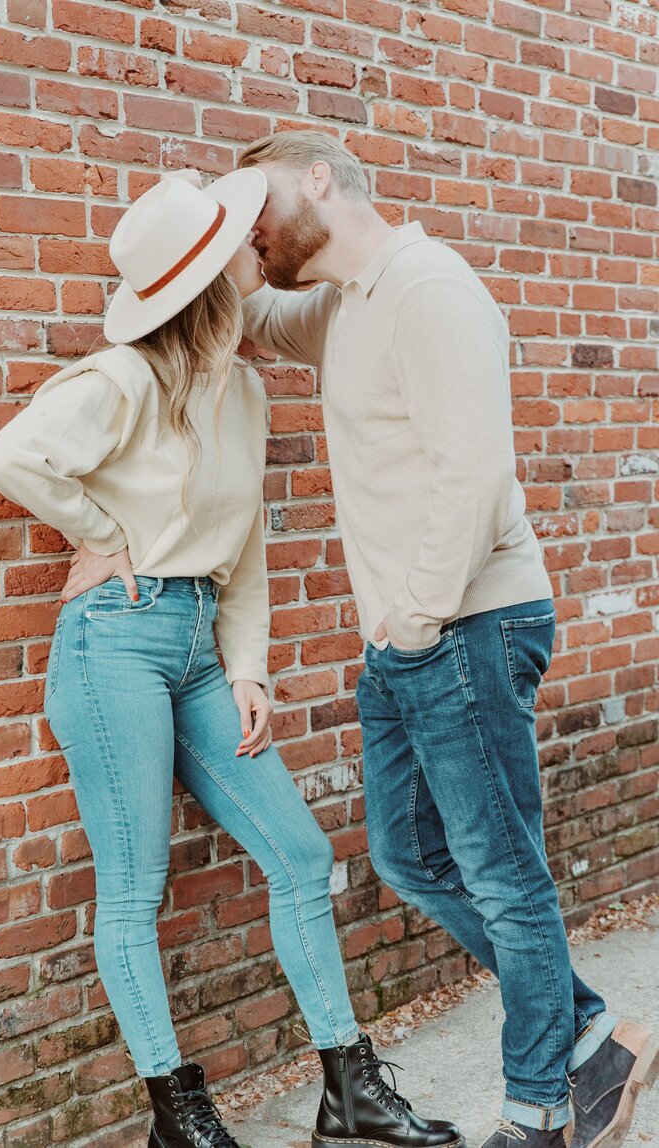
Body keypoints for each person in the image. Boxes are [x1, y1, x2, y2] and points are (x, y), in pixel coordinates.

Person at [190, 130, 657, 1148]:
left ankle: (538, 1106)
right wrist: (212, 222)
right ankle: (589, 1034)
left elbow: (475, 474)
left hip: (466, 622)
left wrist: (414, 613)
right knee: (409, 855)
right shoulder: (341, 304)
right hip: (413, 638)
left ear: (318, 177)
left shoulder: (427, 288)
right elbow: (250, 314)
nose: (256, 228)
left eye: (260, 202)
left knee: (500, 868)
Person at [0, 171, 466, 1148]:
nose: (258, 257)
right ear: (206, 283)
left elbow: (243, 548)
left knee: (297, 851)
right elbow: (13, 456)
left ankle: (348, 1090)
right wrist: (98, 529)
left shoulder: (241, 390)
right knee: (133, 889)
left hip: (199, 650)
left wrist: (248, 667)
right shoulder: (118, 381)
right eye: (238, 253)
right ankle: (176, 1109)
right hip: (112, 643)